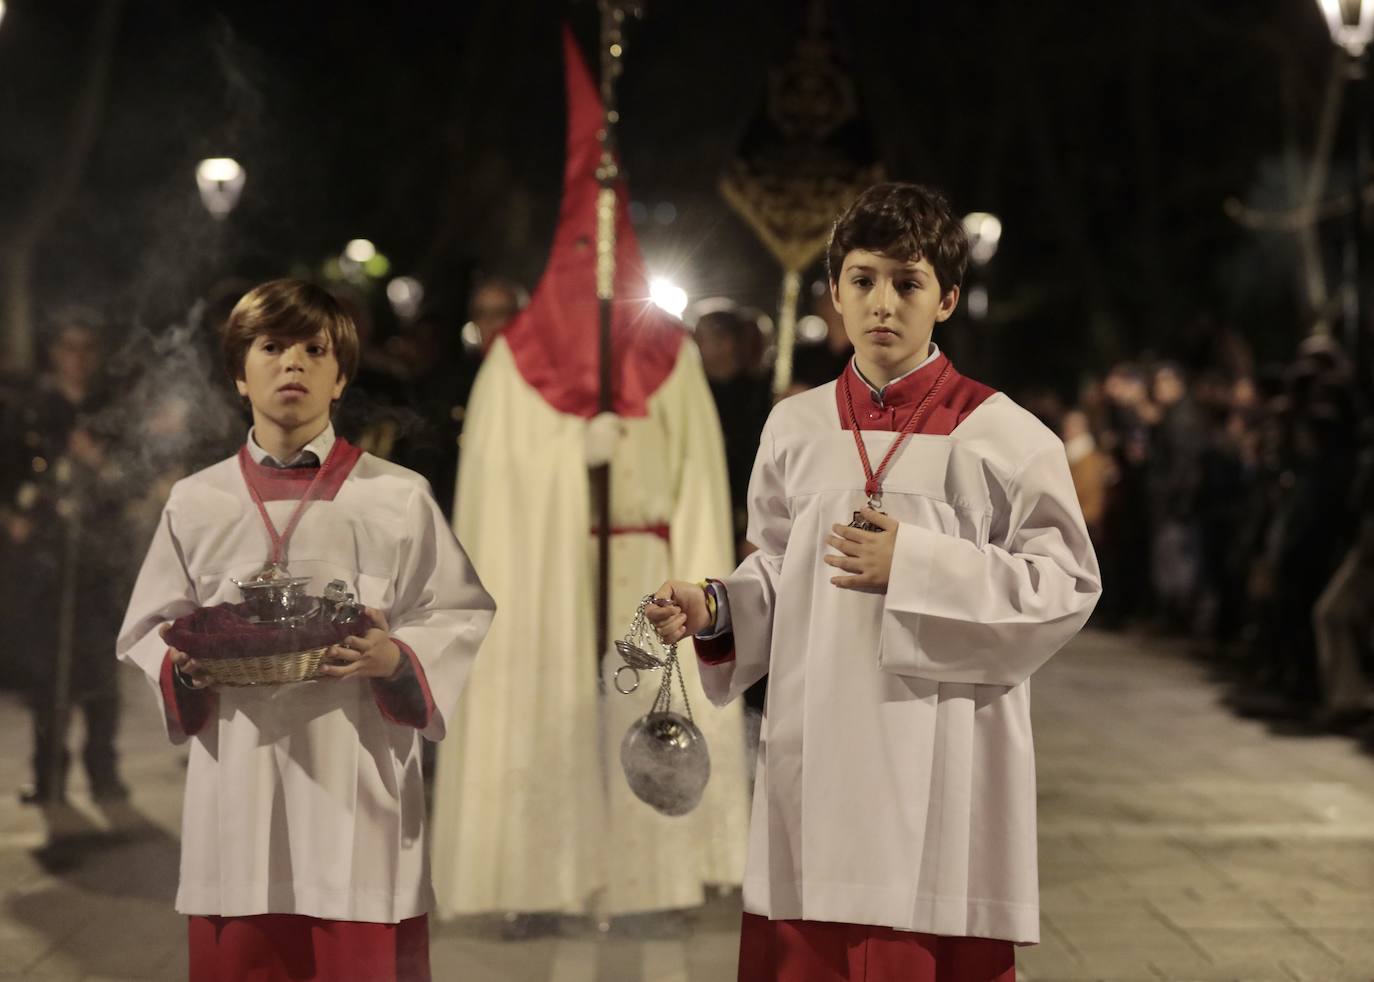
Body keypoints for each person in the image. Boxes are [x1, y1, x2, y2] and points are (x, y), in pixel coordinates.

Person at [647, 182, 1101, 981]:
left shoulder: (1003, 435)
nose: (882, 303)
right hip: (819, 737)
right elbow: (783, 572)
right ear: (835, 293)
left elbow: (1066, 584)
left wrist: (917, 565)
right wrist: (717, 605)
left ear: (948, 298)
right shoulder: (795, 426)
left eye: (907, 281)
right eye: (862, 280)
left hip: (941, 747)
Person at [429, 27, 749, 929]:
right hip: (548, 578)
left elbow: (698, 488)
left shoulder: (671, 359)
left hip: (644, 571)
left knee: (636, 710)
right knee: (555, 724)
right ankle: (544, 880)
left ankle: (651, 878)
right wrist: (572, 460)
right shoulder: (514, 364)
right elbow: (497, 495)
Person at [115, 279, 494, 981]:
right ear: (239, 372)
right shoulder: (196, 502)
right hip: (239, 790)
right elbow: (148, 627)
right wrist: (183, 667)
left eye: (315, 349)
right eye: (271, 347)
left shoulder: (396, 497)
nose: (293, 364)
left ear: (341, 375)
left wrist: (396, 658)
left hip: (357, 790)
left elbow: (458, 612)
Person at [1, 313, 129, 804]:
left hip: (100, 557)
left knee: (100, 667)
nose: (77, 358)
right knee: (46, 670)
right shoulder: (29, 409)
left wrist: (97, 462)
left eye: (87, 348)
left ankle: (104, 773)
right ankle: (48, 774)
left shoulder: (109, 410)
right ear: (54, 352)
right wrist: (12, 516)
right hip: (46, 558)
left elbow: (133, 478)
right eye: (68, 347)